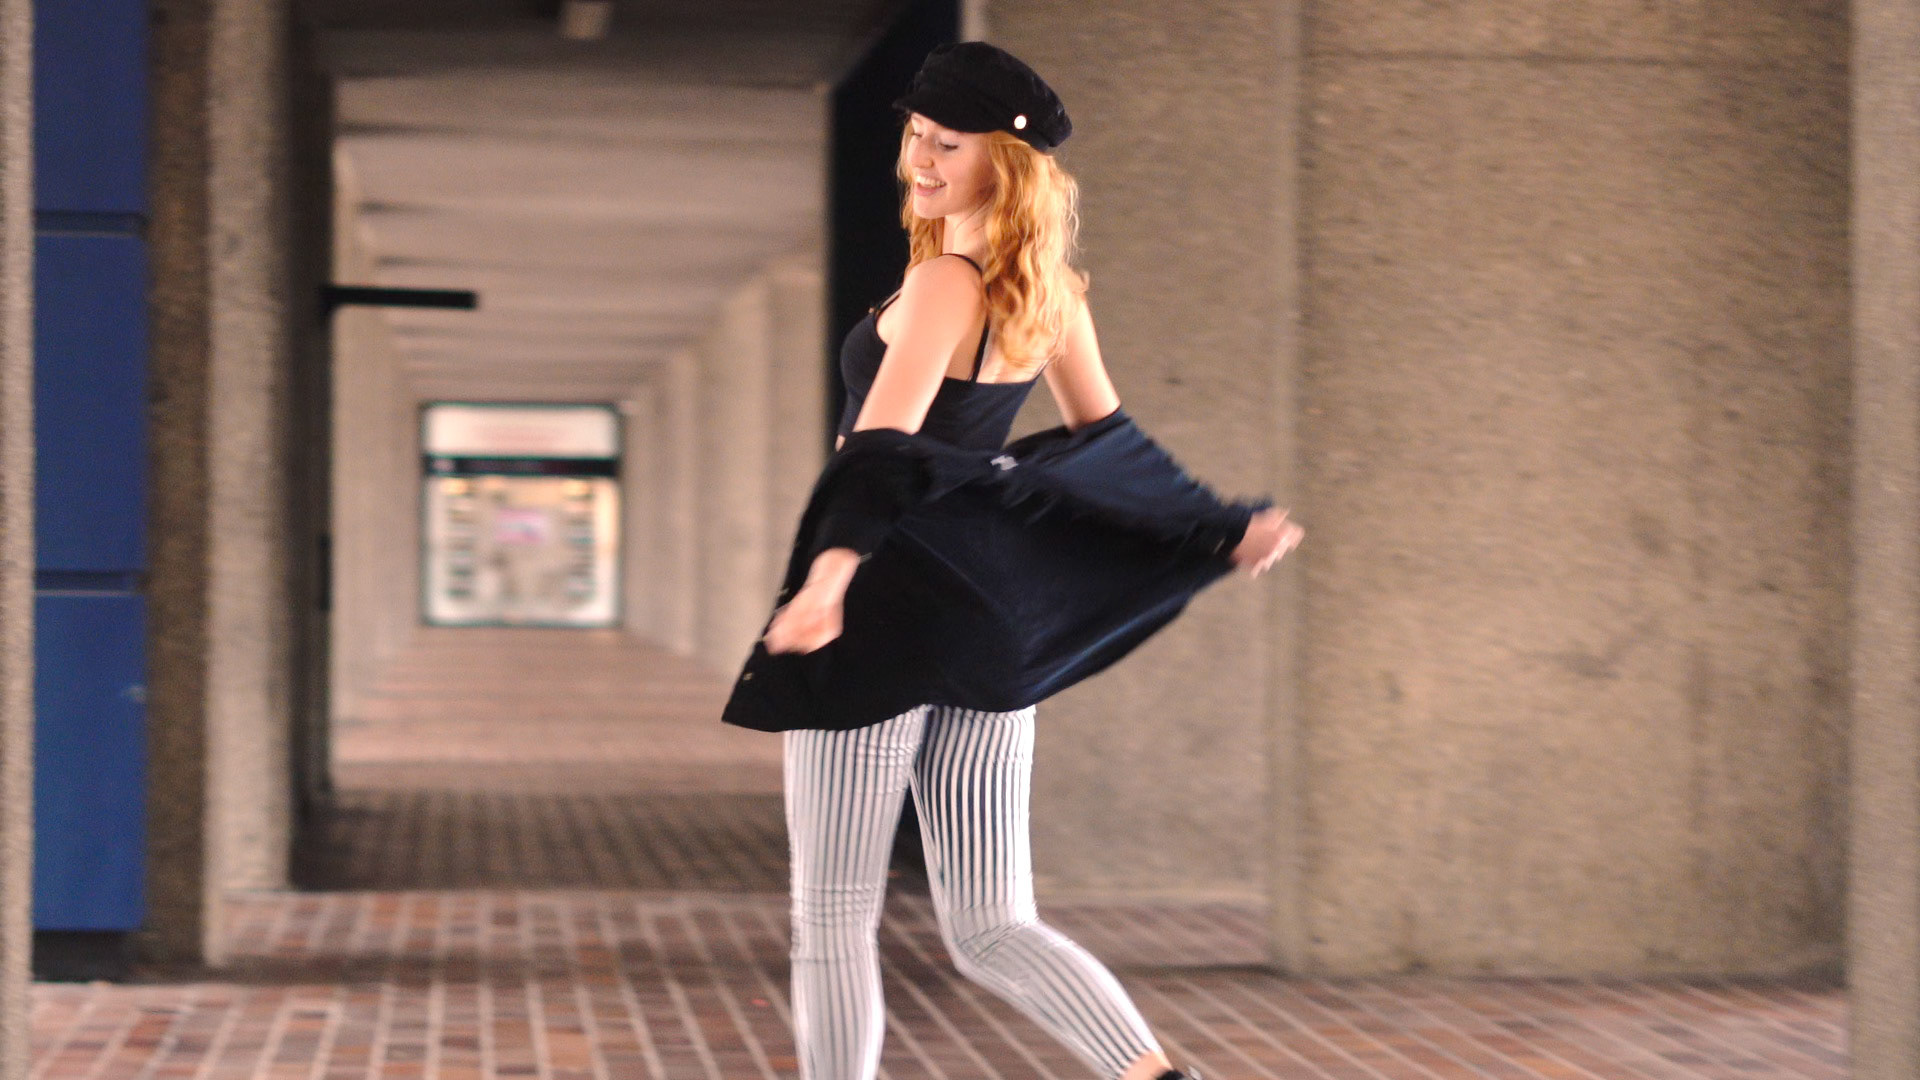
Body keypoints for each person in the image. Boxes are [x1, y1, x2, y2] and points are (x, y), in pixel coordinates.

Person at [721, 41, 1303, 1080]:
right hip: (986, 622)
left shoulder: (944, 284)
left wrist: (826, 581)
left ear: (1009, 162)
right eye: (916, 135)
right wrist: (1213, 523)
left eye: (948, 144)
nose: (920, 160)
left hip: (885, 605)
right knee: (993, 923)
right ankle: (1156, 1076)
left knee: (833, 916)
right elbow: (1109, 443)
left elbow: (883, 452)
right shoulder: (1052, 294)